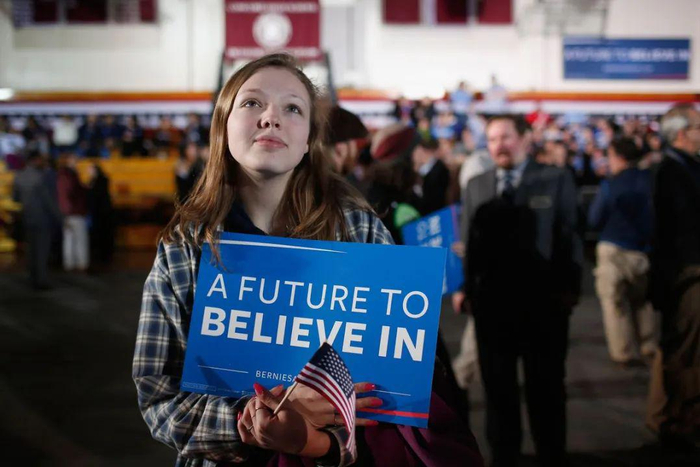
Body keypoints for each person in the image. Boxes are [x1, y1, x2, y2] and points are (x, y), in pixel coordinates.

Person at [132, 53, 482, 467]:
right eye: (252, 103)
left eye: (293, 108)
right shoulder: (184, 247)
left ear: (309, 140)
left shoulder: (358, 229)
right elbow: (160, 400)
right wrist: (256, 421)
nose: (271, 118)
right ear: (223, 124)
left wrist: (322, 434)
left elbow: (400, 385)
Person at [454, 115, 582, 466]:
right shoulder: (476, 184)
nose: (499, 145)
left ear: (525, 139)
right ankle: (504, 457)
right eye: (493, 139)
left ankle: (551, 456)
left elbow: (569, 236)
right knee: (498, 393)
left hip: (545, 307)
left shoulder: (555, 179)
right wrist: (464, 286)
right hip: (492, 308)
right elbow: (469, 241)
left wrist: (570, 289)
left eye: (506, 137)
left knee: (547, 390)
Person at [648, 103, 700, 446]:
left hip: (685, 271)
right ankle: (677, 421)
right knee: (684, 351)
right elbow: (675, 229)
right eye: (698, 127)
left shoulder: (685, 167)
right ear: (682, 133)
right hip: (685, 274)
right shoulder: (671, 171)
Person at [588, 137, 657, 365]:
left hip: (613, 248)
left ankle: (623, 352)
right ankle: (649, 345)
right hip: (643, 250)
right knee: (643, 301)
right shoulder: (650, 181)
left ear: (618, 157)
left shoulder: (611, 184)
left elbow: (595, 218)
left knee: (614, 302)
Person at [12, 151, 62, 288]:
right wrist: (59, 218)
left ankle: (32, 277)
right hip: (42, 219)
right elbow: (48, 201)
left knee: (31, 250)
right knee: (42, 251)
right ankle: (41, 280)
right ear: (35, 160)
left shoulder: (19, 176)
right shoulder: (41, 177)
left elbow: (15, 198)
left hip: (27, 218)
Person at [57, 154, 90, 272]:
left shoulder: (61, 176)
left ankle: (69, 263)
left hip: (67, 212)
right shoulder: (69, 176)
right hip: (74, 211)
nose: (76, 163)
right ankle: (81, 263)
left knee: (69, 240)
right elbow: (71, 194)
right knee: (79, 239)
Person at [410, 138, 449, 216]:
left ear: (422, 150)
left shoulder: (438, 169)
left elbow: (432, 198)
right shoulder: (422, 171)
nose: (413, 155)